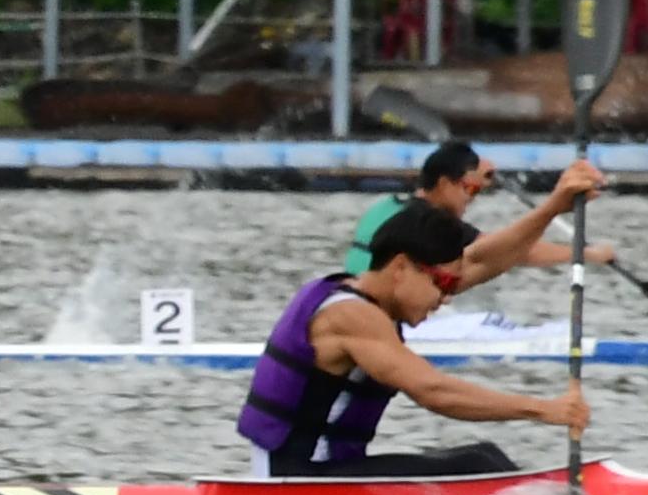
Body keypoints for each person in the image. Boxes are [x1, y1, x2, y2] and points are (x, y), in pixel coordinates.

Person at [239, 199, 592, 477]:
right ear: (401, 268)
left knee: (483, 455)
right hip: (296, 480)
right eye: (444, 284)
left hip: (321, 471)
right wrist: (545, 409)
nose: (448, 297)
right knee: (474, 464)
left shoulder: (376, 294)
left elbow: (488, 261)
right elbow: (433, 391)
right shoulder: (350, 315)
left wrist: (553, 206)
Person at [342, 140, 610, 286]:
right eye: (469, 189)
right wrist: (587, 255)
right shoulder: (432, 224)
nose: (472, 199)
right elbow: (516, 250)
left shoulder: (388, 206)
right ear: (445, 183)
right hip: (381, 311)